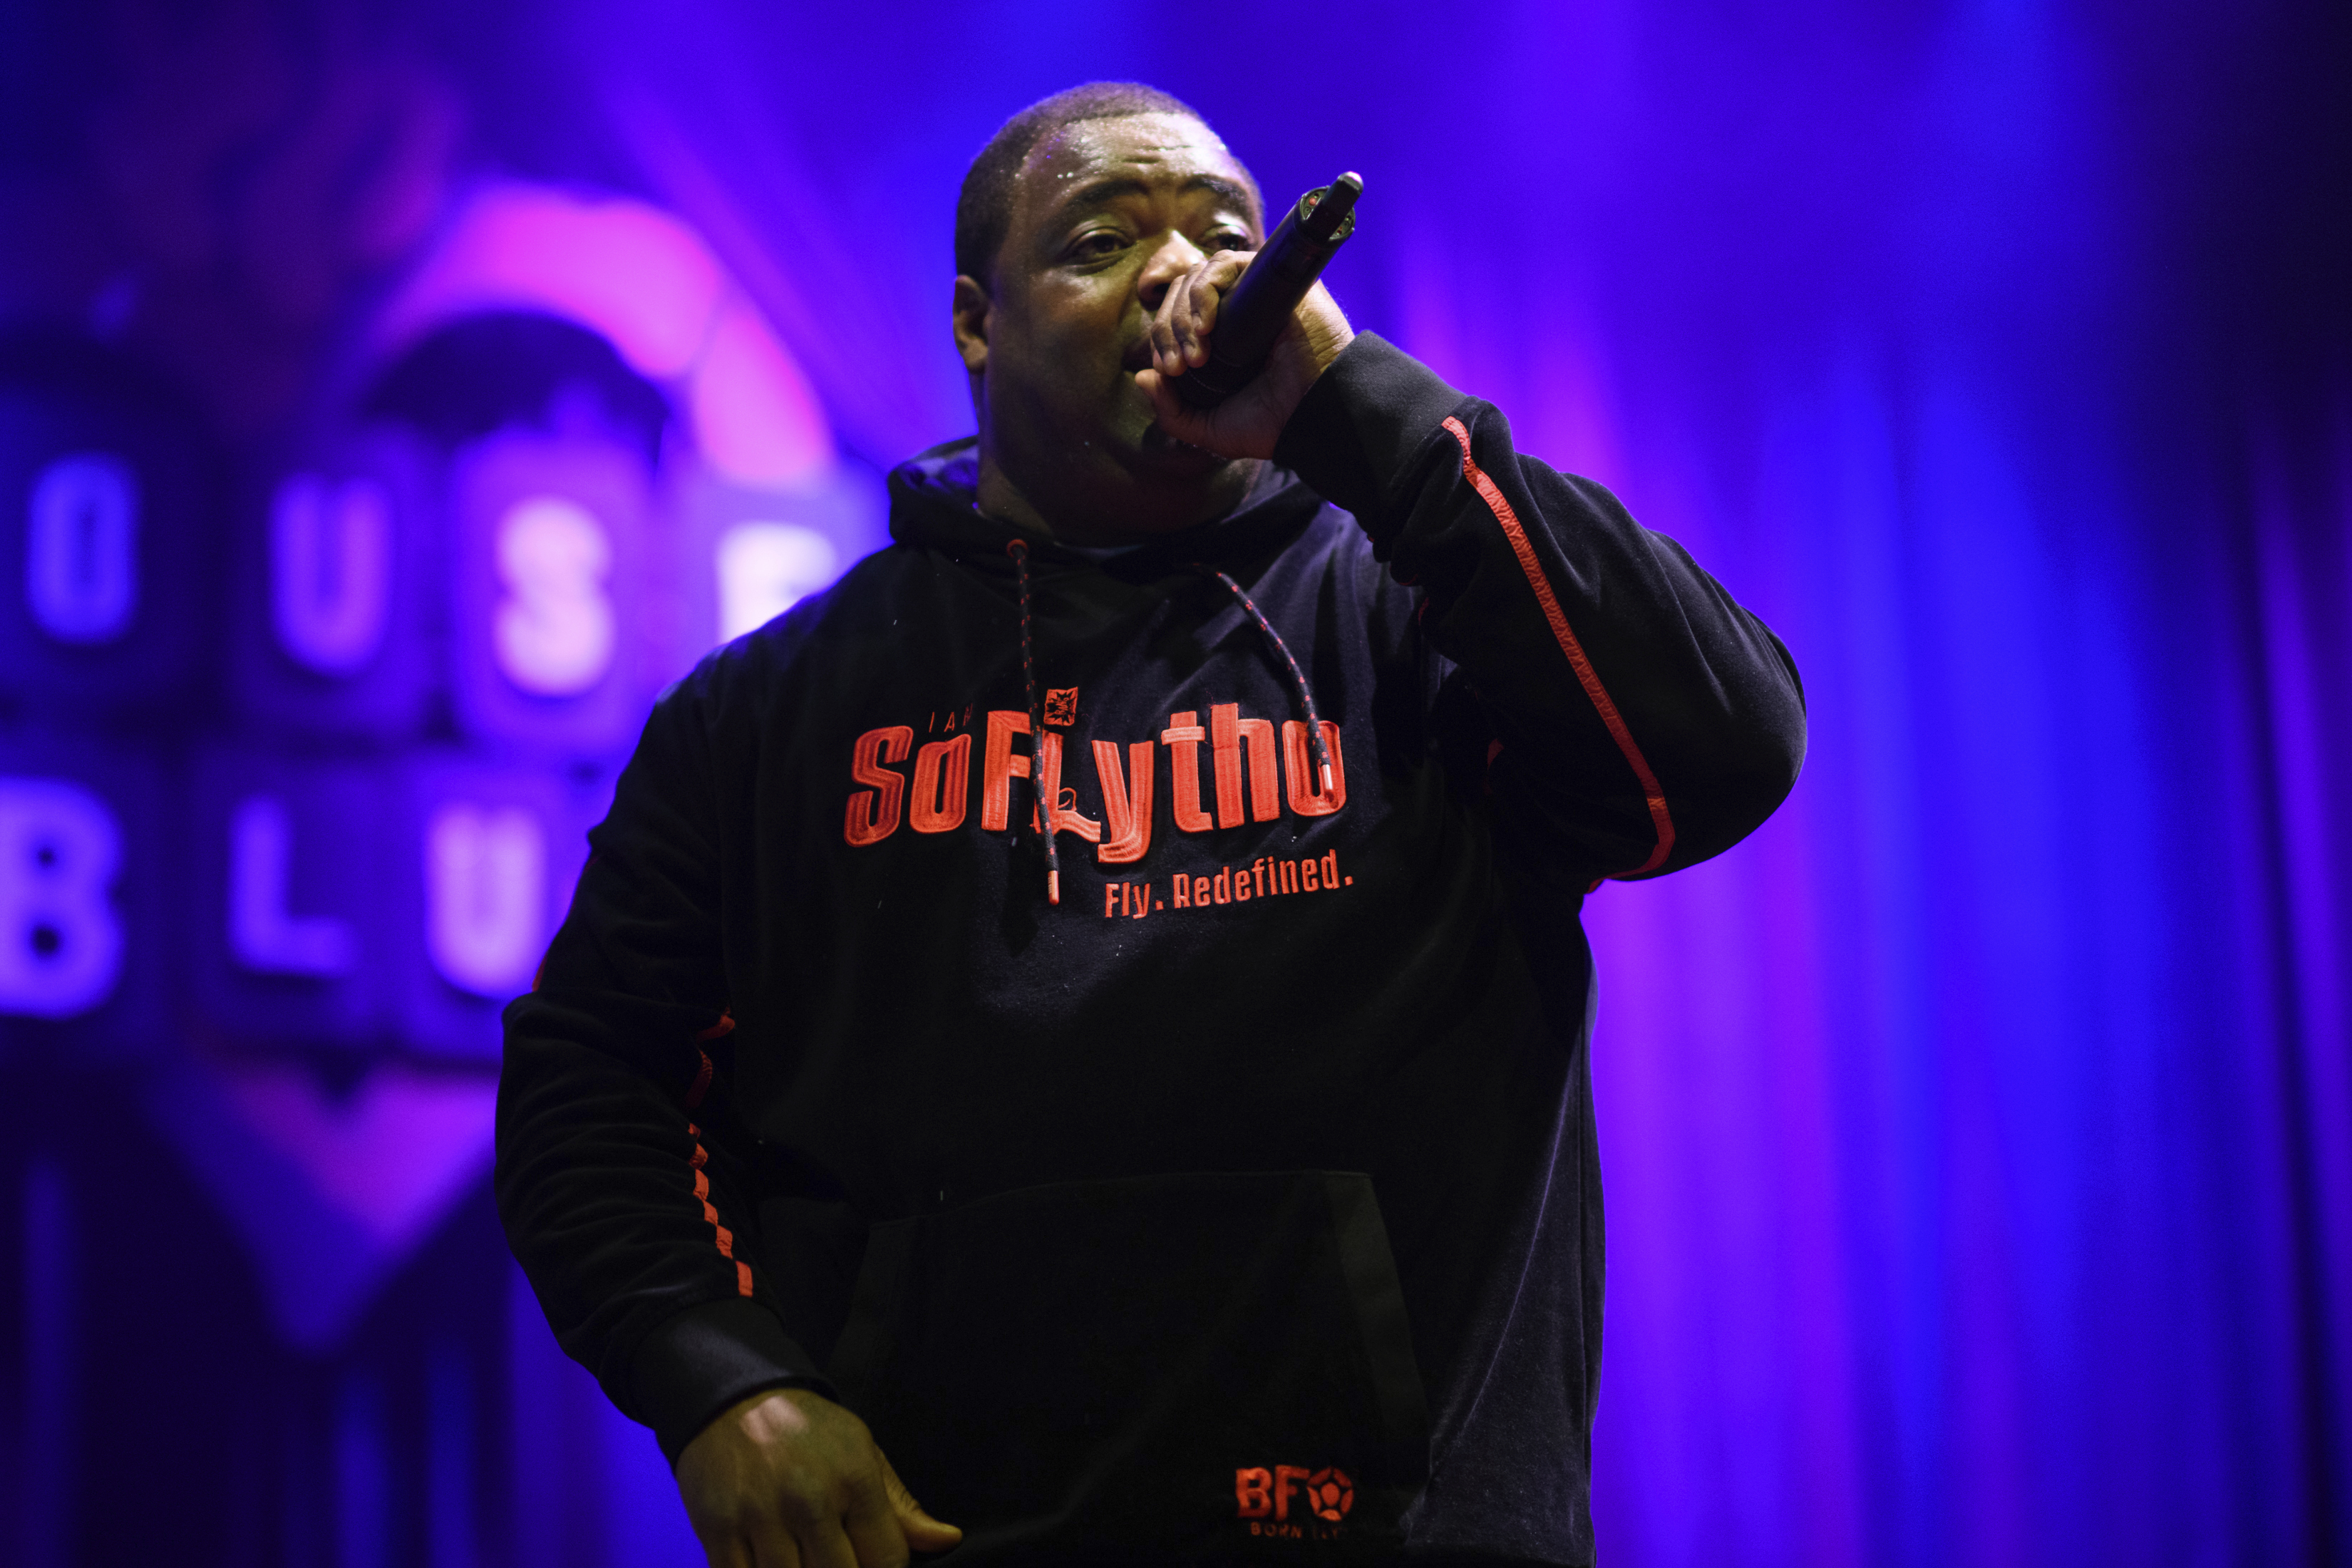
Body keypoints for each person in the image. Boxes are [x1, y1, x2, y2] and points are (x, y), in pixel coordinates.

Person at [497, 81, 1805, 1568]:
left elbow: (1725, 748)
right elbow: (588, 1084)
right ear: (977, 323)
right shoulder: (772, 710)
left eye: (1227, 238)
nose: (1186, 275)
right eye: (1103, 239)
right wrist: (725, 1384)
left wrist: (1359, 414)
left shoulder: (1423, 616)